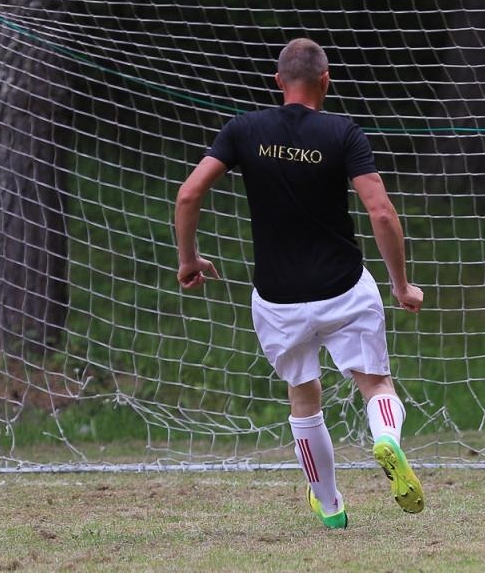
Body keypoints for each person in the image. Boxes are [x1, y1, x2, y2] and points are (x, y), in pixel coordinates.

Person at [174, 37, 425, 529]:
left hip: (277, 299)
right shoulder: (343, 132)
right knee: (375, 384)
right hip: (344, 289)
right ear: (325, 80)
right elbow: (381, 211)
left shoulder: (244, 129)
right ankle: (387, 441)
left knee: (304, 397)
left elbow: (188, 194)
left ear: (278, 82)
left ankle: (330, 506)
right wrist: (401, 285)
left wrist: (189, 259)